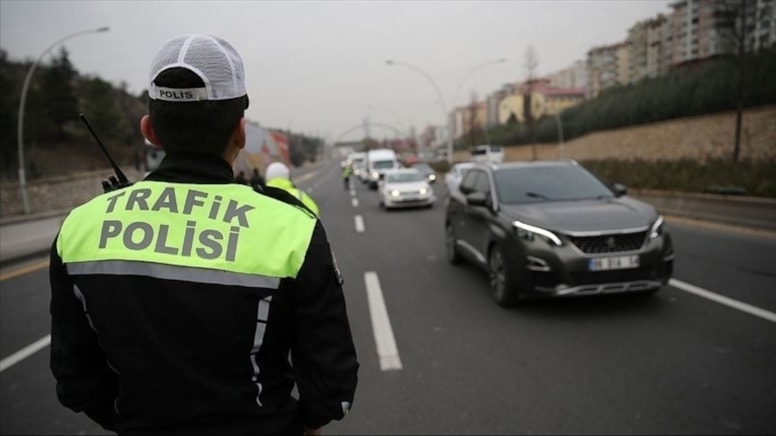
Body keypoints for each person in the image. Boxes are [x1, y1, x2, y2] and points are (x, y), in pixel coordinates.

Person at [49, 33, 358, 436]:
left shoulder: (79, 228)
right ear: (240, 131)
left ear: (150, 130)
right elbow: (332, 389)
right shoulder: (292, 229)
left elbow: (76, 382)